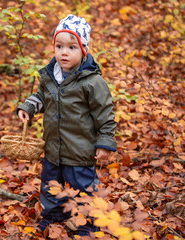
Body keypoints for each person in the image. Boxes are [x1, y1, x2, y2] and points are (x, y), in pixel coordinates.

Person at [17, 14, 117, 236]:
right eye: (59, 46)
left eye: (72, 47)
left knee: (84, 189)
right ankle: (53, 215)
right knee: (51, 185)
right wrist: (28, 108)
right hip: (53, 148)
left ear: (83, 50)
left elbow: (105, 115)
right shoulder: (50, 76)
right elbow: (41, 97)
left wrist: (105, 142)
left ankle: (88, 224)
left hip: (80, 150)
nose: (64, 52)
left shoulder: (92, 82)